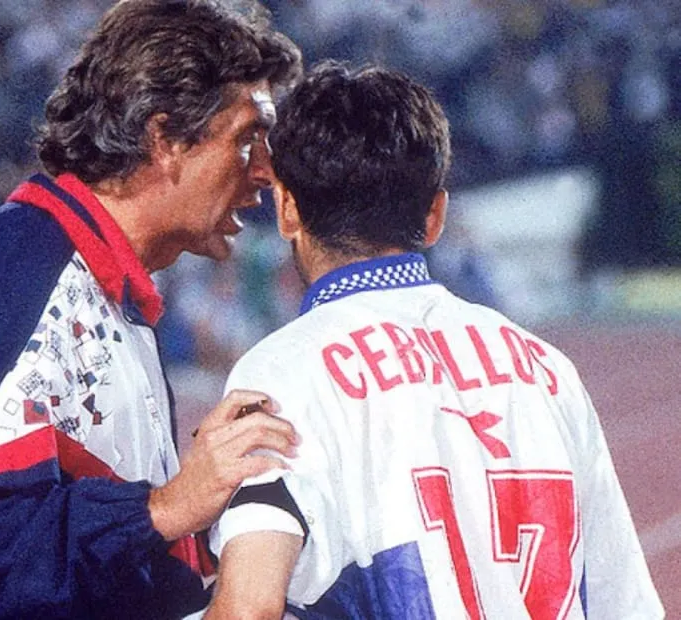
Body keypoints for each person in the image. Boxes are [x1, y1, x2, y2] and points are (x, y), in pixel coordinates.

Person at [0, 1, 302, 618]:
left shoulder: (95, 285)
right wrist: (165, 507)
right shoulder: (21, 274)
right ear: (163, 139)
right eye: (246, 139)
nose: (265, 171)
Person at [205, 63, 664, 619]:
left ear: (286, 210)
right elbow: (627, 606)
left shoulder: (283, 372)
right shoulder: (546, 369)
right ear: (435, 216)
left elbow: (249, 607)